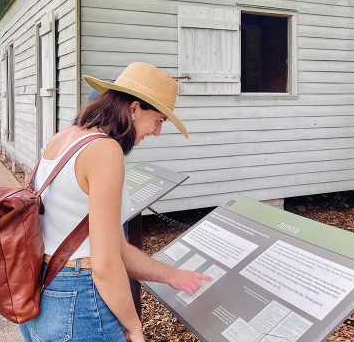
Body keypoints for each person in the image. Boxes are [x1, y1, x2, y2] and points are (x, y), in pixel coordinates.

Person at [19, 62, 211, 342]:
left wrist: (172, 275)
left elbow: (116, 248)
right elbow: (105, 264)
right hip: (79, 300)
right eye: (158, 120)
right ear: (134, 109)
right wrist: (134, 326)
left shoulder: (64, 138)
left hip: (40, 288)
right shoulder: (104, 150)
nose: (157, 132)